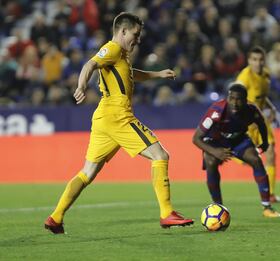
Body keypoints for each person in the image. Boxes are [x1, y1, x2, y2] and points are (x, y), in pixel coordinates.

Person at [44, 12, 194, 234]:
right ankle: (166, 213)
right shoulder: (112, 48)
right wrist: (81, 86)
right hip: (118, 115)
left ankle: (55, 218)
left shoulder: (121, 55)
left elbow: (130, 74)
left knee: (87, 173)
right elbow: (89, 64)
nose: (138, 39)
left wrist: (157, 75)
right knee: (160, 156)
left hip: (104, 119)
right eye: (135, 34)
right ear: (123, 31)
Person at [192, 83, 280, 218]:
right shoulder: (216, 111)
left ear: (245, 100)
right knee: (210, 161)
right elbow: (196, 138)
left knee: (255, 160)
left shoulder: (251, 110)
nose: (234, 103)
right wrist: (216, 152)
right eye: (231, 98)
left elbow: (262, 124)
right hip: (215, 141)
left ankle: (267, 207)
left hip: (238, 140)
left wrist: (264, 142)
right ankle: (218, 207)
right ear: (228, 98)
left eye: (239, 99)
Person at [235, 46, 280, 203]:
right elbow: (234, 98)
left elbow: (262, 96)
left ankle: (271, 194)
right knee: (249, 158)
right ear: (249, 61)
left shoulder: (266, 74)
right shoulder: (244, 78)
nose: (258, 63)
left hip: (260, 120)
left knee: (271, 153)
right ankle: (236, 155)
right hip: (247, 123)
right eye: (254, 60)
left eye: (261, 59)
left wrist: (271, 107)